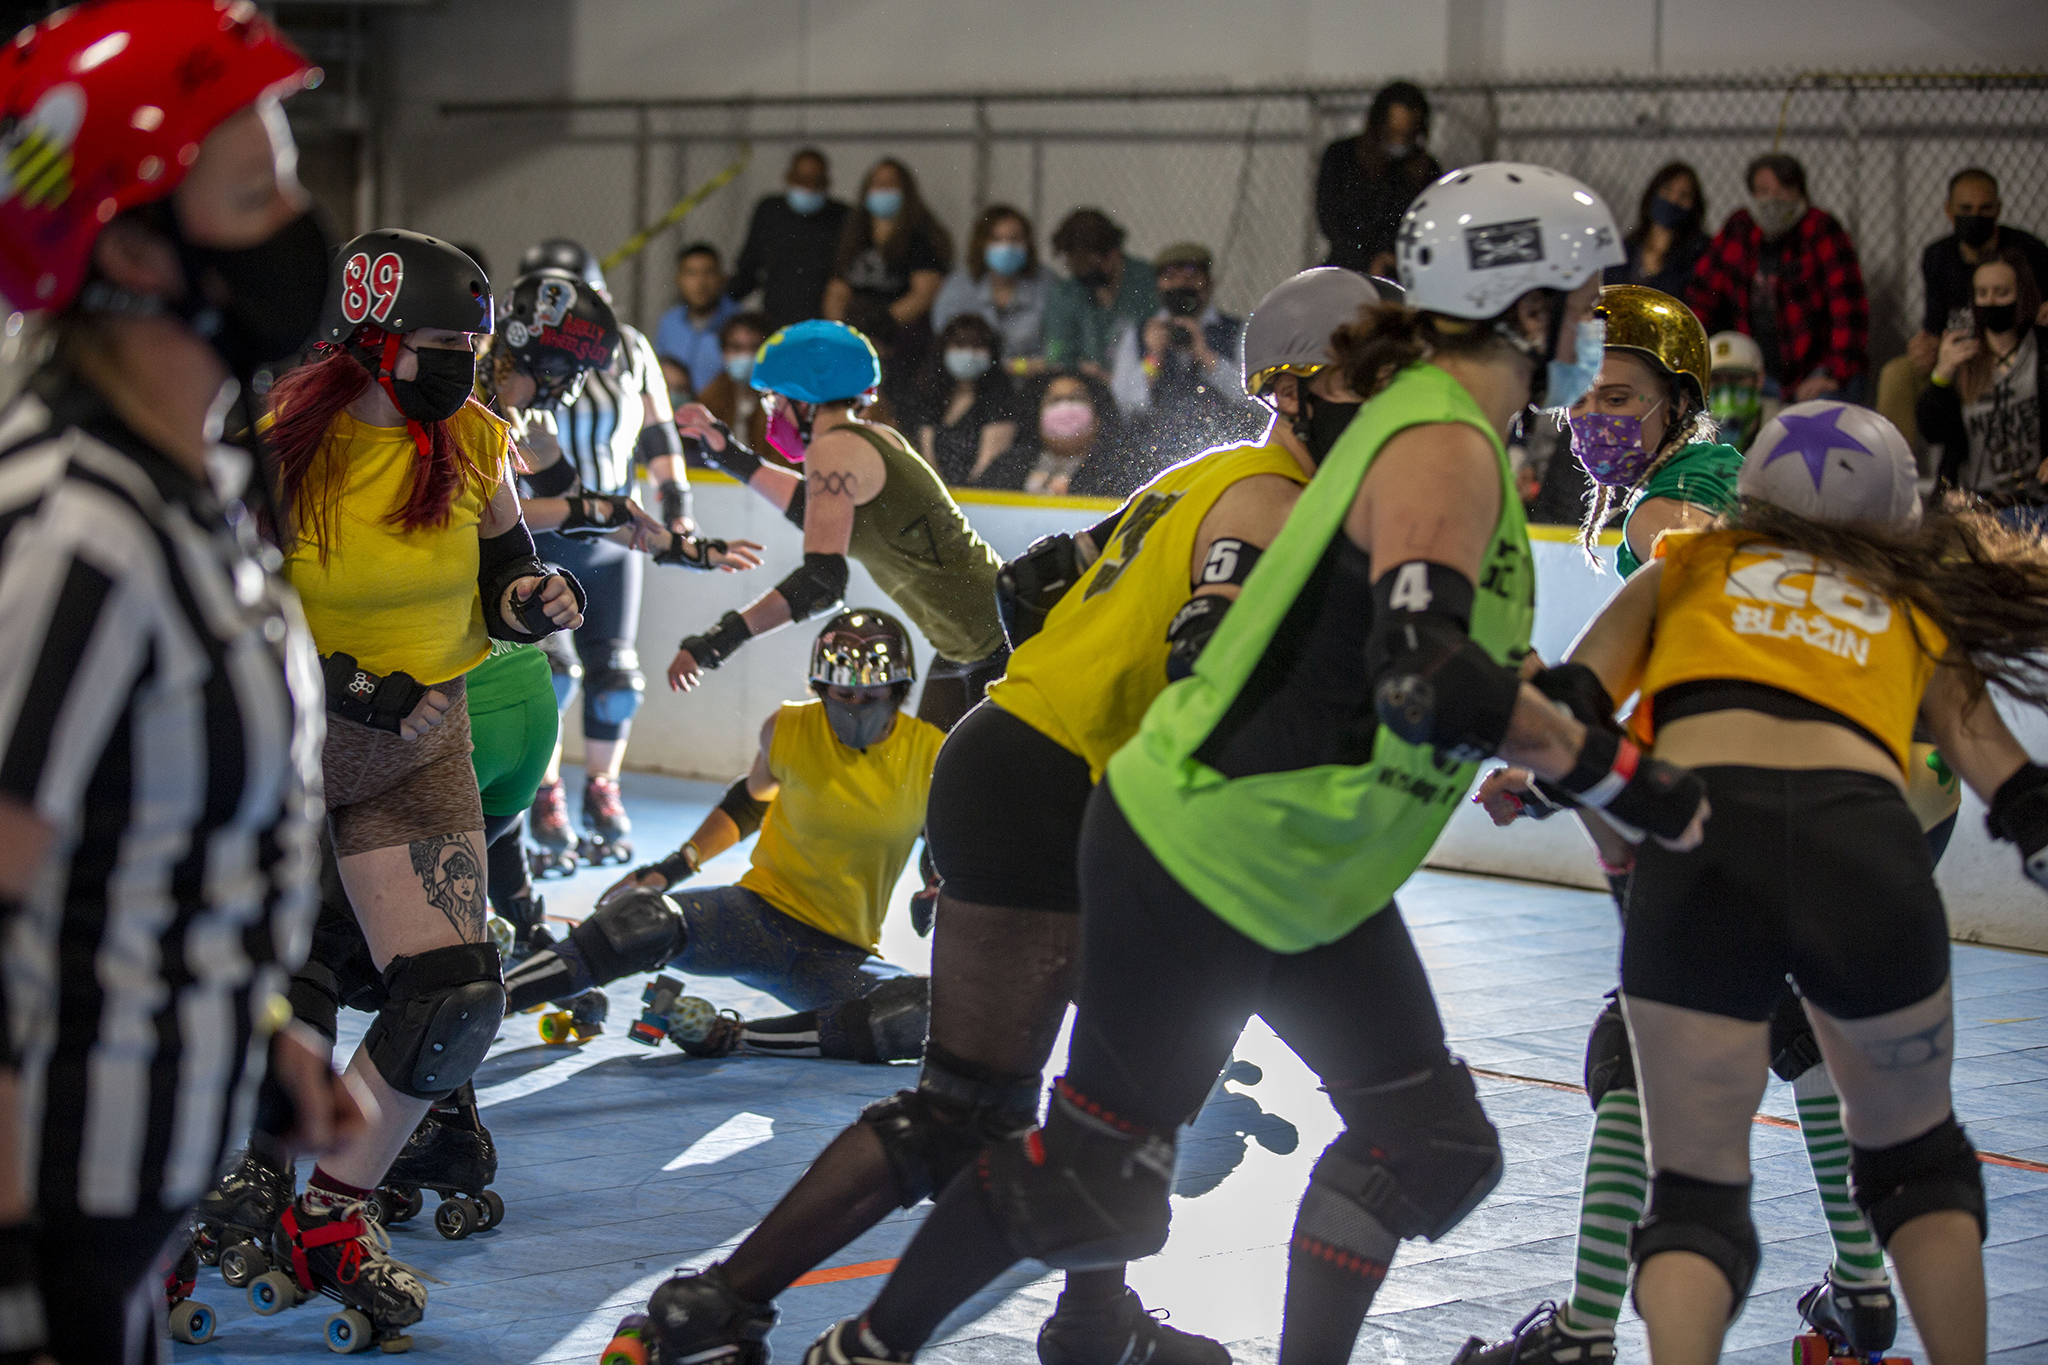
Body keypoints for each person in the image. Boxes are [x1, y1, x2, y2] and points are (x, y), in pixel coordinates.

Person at [792, 165, 1706, 1365]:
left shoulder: (1433, 435)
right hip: (1217, 848)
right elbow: (1424, 674)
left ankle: (864, 1345)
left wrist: (1589, 770)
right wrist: (1623, 781)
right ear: (1525, 307)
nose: (1591, 334)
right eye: (1584, 303)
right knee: (1217, 1161)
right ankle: (863, 1345)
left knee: (1322, 1151)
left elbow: (1456, 663)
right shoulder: (1439, 438)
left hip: (1273, 852)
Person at [629, 265, 1383, 1365]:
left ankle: (715, 1311)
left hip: (995, 740)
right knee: (1103, 1102)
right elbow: (1179, 663)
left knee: (982, 1102)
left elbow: (1035, 580)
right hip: (1058, 757)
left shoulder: (1205, 469)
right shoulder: (1275, 501)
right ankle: (1053, 1324)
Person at [1492, 401, 2048, 1365]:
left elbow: (1573, 713)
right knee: (1921, 1167)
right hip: (1868, 850)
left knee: (1696, 1193)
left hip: (1705, 849)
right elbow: (2016, 788)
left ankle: (1612, 1334)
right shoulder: (1905, 604)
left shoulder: (1688, 568)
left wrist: (1531, 783)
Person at [0, 7, 354, 1360]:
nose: (302, 223)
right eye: (257, 192)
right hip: (51, 1217)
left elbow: (138, 843)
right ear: (137, 251)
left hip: (135, 1198)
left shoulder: (196, 486)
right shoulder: (72, 531)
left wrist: (255, 1030)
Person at [250, 228, 583, 1344]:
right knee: (286, 976)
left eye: (473, 348)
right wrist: (353, 684)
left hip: (416, 747)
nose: (462, 367)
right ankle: (226, 1184)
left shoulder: (476, 438)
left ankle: (332, 1215)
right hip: (284, 745)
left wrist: (532, 599)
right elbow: (229, 611)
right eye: (442, 343)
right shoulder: (281, 448)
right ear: (371, 334)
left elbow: (499, 575)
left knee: (454, 996)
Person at [507, 610, 942, 1064]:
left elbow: (946, 839)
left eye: (870, 695)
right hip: (755, 919)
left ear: (897, 690)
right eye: (843, 694)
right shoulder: (789, 728)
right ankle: (491, 1000)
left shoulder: (931, 753)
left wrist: (938, 882)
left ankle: (736, 1037)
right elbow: (750, 802)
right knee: (639, 918)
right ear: (820, 688)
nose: (854, 706)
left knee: (927, 1013)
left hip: (836, 955)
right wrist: (671, 869)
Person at [677, 320, 1008, 732]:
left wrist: (716, 642)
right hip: (975, 638)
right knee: (928, 781)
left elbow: (822, 582)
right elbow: (812, 508)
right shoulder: (870, 438)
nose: (771, 410)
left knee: (949, 784)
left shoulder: (832, 449)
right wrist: (727, 455)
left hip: (998, 644)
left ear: (803, 397)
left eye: (774, 397)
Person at [513, 240, 693, 873]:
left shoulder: (631, 348)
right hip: (542, 531)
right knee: (552, 675)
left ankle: (602, 791)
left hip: (614, 536)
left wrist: (678, 506)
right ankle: (545, 792)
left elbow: (657, 431)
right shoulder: (513, 354)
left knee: (615, 680)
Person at [1564, 285, 1739, 574]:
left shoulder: (1655, 514)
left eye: (1616, 399)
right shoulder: (1719, 465)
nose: (1593, 419)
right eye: (1577, 399)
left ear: (1678, 404)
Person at [1878, 169, 2048, 453]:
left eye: (1985, 209)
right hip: (1961, 359)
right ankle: (1892, 471)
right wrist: (1926, 347)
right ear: (1949, 210)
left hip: (2015, 363)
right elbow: (1933, 328)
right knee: (1898, 374)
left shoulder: (2029, 252)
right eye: (1966, 209)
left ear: (1998, 210)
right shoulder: (1938, 257)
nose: (1975, 217)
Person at [1686, 153, 1869, 404]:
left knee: (1822, 409)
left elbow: (1848, 312)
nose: (1772, 199)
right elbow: (1702, 297)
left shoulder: (1821, 229)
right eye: (1763, 190)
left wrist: (1833, 373)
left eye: (1783, 189)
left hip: (1813, 371)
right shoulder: (1739, 229)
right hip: (1752, 372)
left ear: (1800, 193)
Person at [1921, 249, 2048, 528]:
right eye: (1983, 294)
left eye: (2002, 293)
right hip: (1975, 500)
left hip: (2037, 499)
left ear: (2022, 295)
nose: (1991, 301)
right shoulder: (1965, 354)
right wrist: (1941, 375)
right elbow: (1931, 430)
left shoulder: (2041, 350)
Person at [823, 159, 952, 409]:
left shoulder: (921, 236)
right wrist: (845, 333)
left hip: (901, 339)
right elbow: (836, 290)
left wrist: (880, 326)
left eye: (890, 184)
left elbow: (924, 293)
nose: (883, 190)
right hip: (855, 335)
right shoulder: (853, 234)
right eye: (877, 184)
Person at [1119, 241, 1258, 459]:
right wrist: (1154, 357)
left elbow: (1253, 400)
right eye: (1171, 277)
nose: (1181, 285)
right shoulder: (1139, 334)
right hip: (1154, 452)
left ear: (1209, 283)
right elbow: (1126, 405)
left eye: (1192, 277)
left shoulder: (1236, 331)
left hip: (1221, 447)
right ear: (1158, 287)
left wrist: (1207, 357)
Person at [1315, 81, 1443, 278]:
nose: (1399, 143)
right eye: (1393, 134)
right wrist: (1368, 259)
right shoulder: (1343, 157)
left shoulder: (1424, 169)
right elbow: (1330, 218)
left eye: (1407, 136)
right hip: (1347, 267)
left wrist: (1391, 257)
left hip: (1400, 272)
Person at [729, 147, 851, 330]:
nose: (808, 188)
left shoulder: (842, 217)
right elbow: (748, 267)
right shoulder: (770, 211)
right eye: (801, 181)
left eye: (815, 182)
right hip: (775, 320)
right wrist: (721, 299)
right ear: (788, 178)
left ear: (827, 183)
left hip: (825, 324)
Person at [1042, 208, 1158, 376]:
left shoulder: (1148, 284)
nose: (1082, 272)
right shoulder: (1068, 293)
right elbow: (1058, 353)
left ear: (1112, 254)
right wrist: (1081, 368)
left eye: (1087, 264)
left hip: (1142, 381)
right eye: (1075, 265)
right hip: (1088, 383)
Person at [931, 203, 1050, 365]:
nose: (1006, 246)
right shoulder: (958, 286)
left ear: (1028, 243)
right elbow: (943, 343)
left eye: (1014, 238)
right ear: (981, 243)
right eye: (996, 239)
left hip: (1031, 383)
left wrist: (1014, 368)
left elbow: (1055, 351)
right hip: (973, 381)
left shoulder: (1048, 285)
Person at [915, 313, 1023, 486]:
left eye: (978, 346)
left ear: (991, 353)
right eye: (960, 344)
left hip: (979, 499)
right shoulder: (932, 400)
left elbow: (987, 468)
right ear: (943, 349)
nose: (969, 353)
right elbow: (927, 462)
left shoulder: (1000, 402)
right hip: (938, 497)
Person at [1014, 370, 1136, 499]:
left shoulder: (1116, 472)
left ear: (1097, 418)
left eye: (1076, 399)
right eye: (1055, 400)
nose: (1065, 408)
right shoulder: (1012, 464)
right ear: (1038, 416)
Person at [1605, 162, 1710, 298]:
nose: (1673, 199)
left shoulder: (1699, 254)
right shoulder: (1627, 249)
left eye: (1684, 195)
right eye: (1667, 189)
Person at [656, 242, 739, 399]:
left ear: (722, 278)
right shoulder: (668, 323)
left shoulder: (738, 322)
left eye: (709, 272)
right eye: (691, 273)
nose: (700, 283)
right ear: (678, 279)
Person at [697, 310, 773, 458]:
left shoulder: (782, 402)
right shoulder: (710, 399)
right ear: (723, 353)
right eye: (736, 347)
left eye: (755, 346)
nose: (745, 355)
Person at [1705, 330, 1774, 451]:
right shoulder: (1691, 436)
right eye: (1715, 379)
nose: (1725, 388)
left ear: (1759, 380)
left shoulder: (1784, 428)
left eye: (1735, 378)